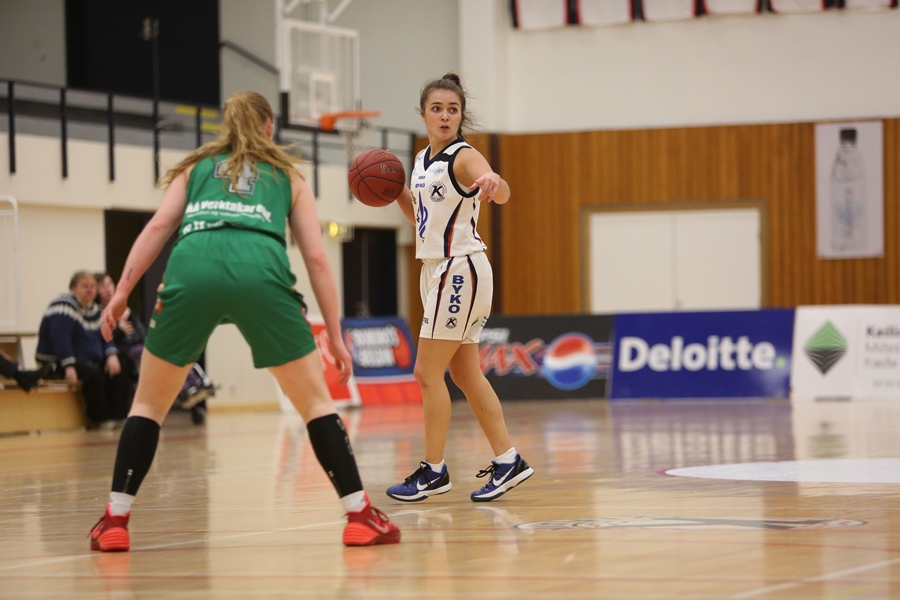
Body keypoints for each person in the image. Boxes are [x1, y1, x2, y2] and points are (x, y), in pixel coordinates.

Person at [89, 91, 399, 552]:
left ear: (226, 125)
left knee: (148, 406)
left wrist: (119, 295)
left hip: (192, 266)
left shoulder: (196, 167)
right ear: (269, 126)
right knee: (316, 404)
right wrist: (335, 337)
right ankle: (359, 515)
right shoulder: (288, 175)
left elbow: (157, 228)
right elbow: (317, 258)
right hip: (261, 269)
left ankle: (116, 520)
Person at [386, 73, 533, 503]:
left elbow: (501, 191)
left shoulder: (464, 156)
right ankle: (508, 461)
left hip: (460, 269)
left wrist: (494, 183)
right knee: (465, 373)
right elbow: (420, 217)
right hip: (435, 268)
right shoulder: (420, 161)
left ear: (461, 115)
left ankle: (433, 471)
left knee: (426, 373)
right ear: (423, 114)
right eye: (437, 109)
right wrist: (392, 191)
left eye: (453, 109)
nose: (445, 115)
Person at [94, 272, 217, 425]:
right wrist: (119, 327)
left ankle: (196, 383)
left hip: (141, 345)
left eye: (109, 284)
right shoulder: (98, 312)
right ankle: (186, 389)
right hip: (126, 350)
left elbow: (142, 333)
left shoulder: (124, 308)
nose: (107, 289)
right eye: (102, 286)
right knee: (152, 355)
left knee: (172, 351)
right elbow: (104, 339)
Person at [35, 271, 133, 427]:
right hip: (56, 362)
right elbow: (60, 338)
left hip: (87, 361)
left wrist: (111, 355)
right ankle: (99, 420)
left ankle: (118, 416)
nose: (90, 290)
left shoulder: (96, 310)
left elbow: (106, 335)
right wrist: (68, 365)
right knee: (93, 374)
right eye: (84, 286)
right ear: (73, 288)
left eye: (93, 286)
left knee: (121, 365)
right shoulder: (63, 306)